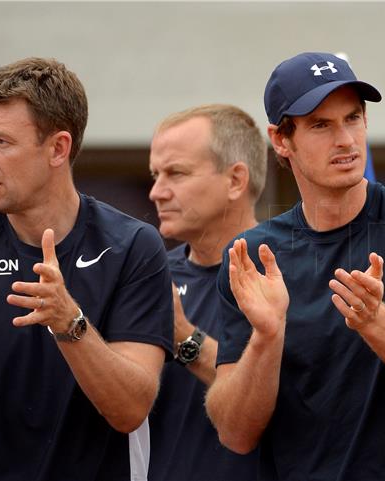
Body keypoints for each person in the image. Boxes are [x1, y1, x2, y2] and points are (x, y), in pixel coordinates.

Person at [204, 52, 385, 481]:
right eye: (321, 125)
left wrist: (377, 322)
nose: (346, 140)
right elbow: (234, 433)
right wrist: (266, 336)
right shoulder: (253, 257)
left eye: (353, 119)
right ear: (282, 140)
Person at [0, 57, 174, 481]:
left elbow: (131, 410)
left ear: (58, 148)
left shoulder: (132, 247)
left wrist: (69, 322)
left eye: (0, 141)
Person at [146, 104, 265, 480]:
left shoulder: (288, 274)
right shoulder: (149, 278)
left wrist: (185, 339)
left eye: (176, 174)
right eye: (155, 174)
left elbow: (291, 399)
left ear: (235, 181)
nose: (156, 192)